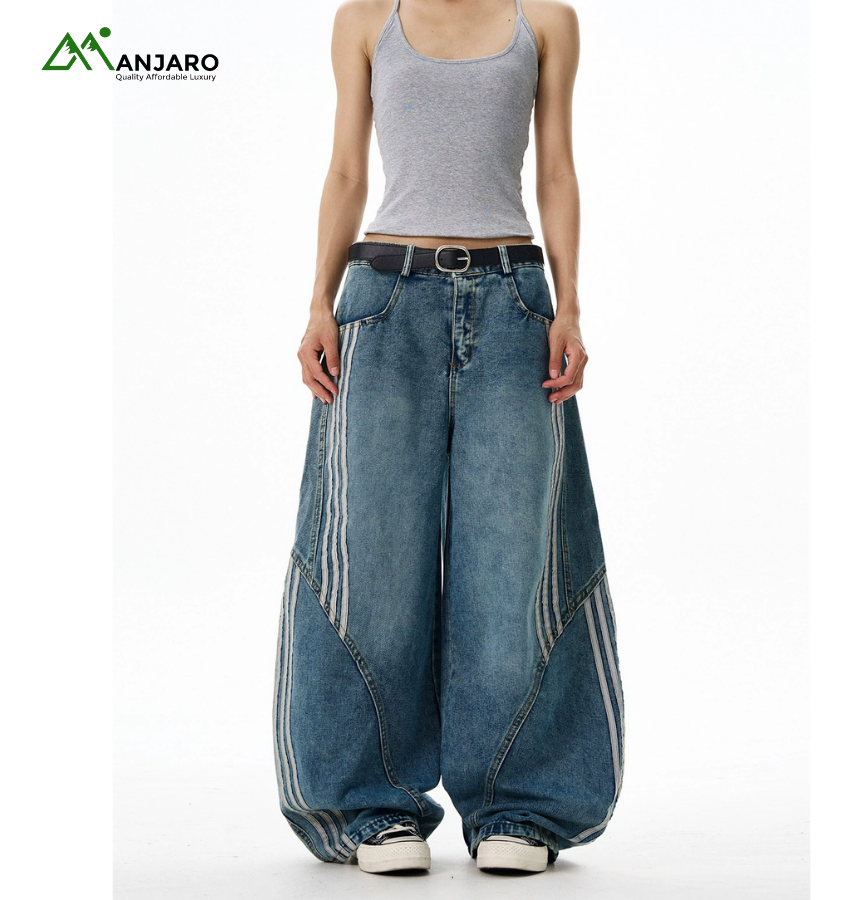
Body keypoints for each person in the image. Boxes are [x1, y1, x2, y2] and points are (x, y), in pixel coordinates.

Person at [272, 0, 623, 876]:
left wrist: (570, 305)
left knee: (514, 559)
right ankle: (369, 806)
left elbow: (556, 170)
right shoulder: (366, 19)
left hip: (514, 303)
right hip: (382, 301)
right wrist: (318, 303)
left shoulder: (545, 19)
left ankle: (519, 803)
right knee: (369, 556)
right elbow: (346, 170)